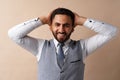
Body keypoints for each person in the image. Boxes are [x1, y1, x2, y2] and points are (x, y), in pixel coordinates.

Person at [8, 8, 117, 80]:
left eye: (66, 25)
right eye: (57, 24)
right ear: (50, 26)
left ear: (73, 28)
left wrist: (81, 20)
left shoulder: (83, 47)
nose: (61, 29)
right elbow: (13, 34)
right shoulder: (40, 47)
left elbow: (112, 32)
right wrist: (42, 19)